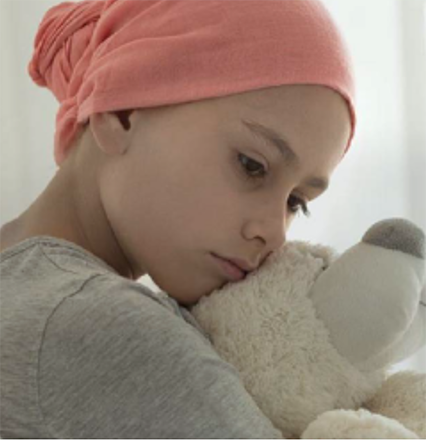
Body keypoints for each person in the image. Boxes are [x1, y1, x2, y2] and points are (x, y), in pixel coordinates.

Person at [0, 0, 355, 437]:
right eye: (251, 165)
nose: (275, 234)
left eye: (296, 202)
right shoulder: (102, 326)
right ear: (121, 111)